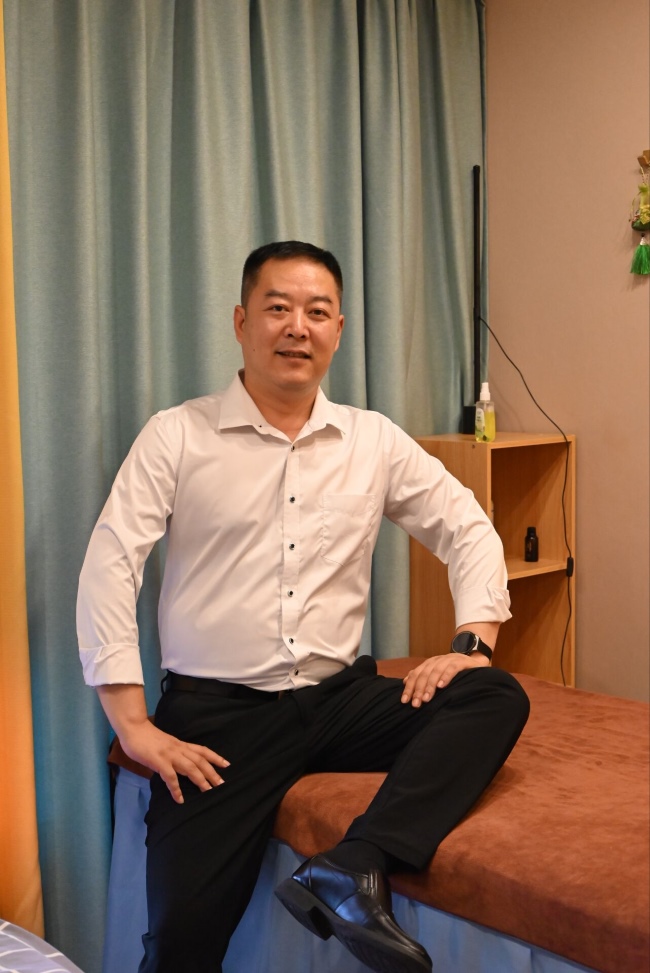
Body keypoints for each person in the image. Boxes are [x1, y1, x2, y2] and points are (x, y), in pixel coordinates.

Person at [77, 240, 529, 973]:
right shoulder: (178, 434)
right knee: (181, 946)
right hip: (221, 719)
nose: (298, 327)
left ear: (338, 330)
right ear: (241, 321)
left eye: (317, 312)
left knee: (491, 694)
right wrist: (132, 724)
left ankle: (356, 864)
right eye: (278, 308)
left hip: (336, 701)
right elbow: (110, 564)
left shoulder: (372, 439)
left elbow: (466, 525)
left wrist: (470, 644)